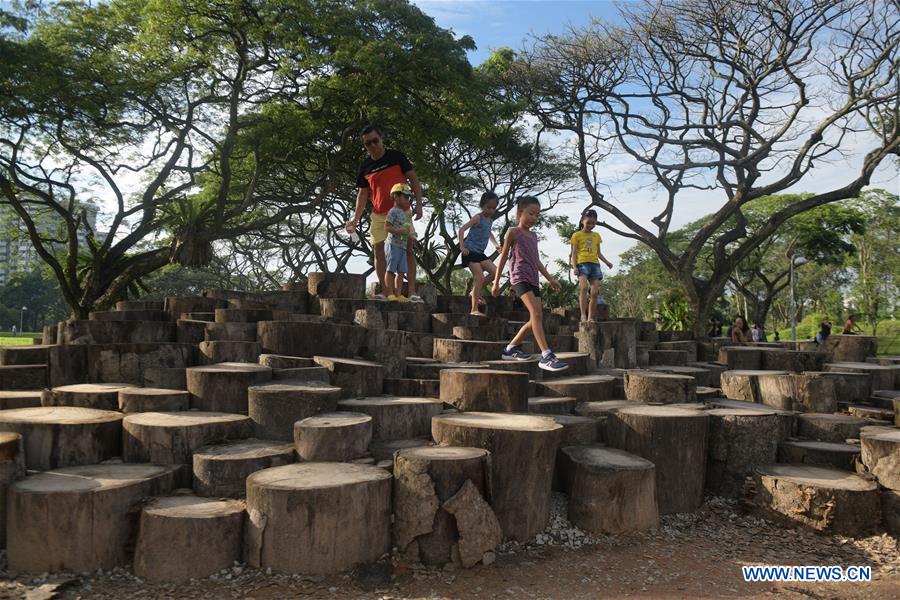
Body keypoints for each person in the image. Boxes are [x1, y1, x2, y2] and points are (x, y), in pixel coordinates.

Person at [346, 125, 423, 301]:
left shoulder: (396, 157)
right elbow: (363, 193)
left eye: (375, 141)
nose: (372, 145)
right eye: (368, 143)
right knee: (379, 252)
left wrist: (419, 204)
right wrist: (355, 219)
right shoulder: (365, 166)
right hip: (379, 215)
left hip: (402, 213)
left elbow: (414, 179)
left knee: (408, 250)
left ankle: (411, 291)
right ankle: (386, 292)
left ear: (381, 138)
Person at [492, 196, 569, 372]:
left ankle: (510, 349)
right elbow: (503, 257)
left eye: (537, 215)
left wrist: (550, 278)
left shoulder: (534, 236)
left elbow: (537, 260)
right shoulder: (513, 232)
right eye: (531, 213)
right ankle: (546, 355)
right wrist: (496, 282)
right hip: (519, 278)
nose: (535, 218)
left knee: (536, 316)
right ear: (520, 213)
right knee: (535, 313)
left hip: (533, 279)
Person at [458, 192, 501, 316]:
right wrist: (462, 246)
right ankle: (474, 309)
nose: (491, 210)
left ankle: (474, 291)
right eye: (489, 207)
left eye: (494, 208)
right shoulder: (478, 217)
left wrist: (496, 245)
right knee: (480, 277)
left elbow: (489, 233)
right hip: (470, 252)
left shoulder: (490, 220)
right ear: (482, 206)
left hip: (480, 253)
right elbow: (462, 230)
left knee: (495, 273)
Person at [570, 209, 613, 322]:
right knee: (583, 288)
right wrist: (574, 266)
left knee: (594, 293)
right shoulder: (576, 235)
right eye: (588, 222)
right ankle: (583, 315)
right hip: (582, 264)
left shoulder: (596, 236)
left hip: (595, 266)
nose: (591, 225)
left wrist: (607, 262)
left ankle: (590, 317)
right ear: (582, 221)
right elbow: (574, 253)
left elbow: (598, 253)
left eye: (593, 223)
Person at [383, 184, 423, 302]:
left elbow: (406, 227)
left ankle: (398, 294)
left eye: (408, 197)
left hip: (402, 247)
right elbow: (386, 228)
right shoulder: (393, 211)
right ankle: (390, 293)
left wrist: (411, 236)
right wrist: (398, 231)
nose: (407, 199)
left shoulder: (404, 213)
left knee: (401, 271)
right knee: (390, 270)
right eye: (405, 197)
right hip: (392, 244)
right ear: (396, 196)